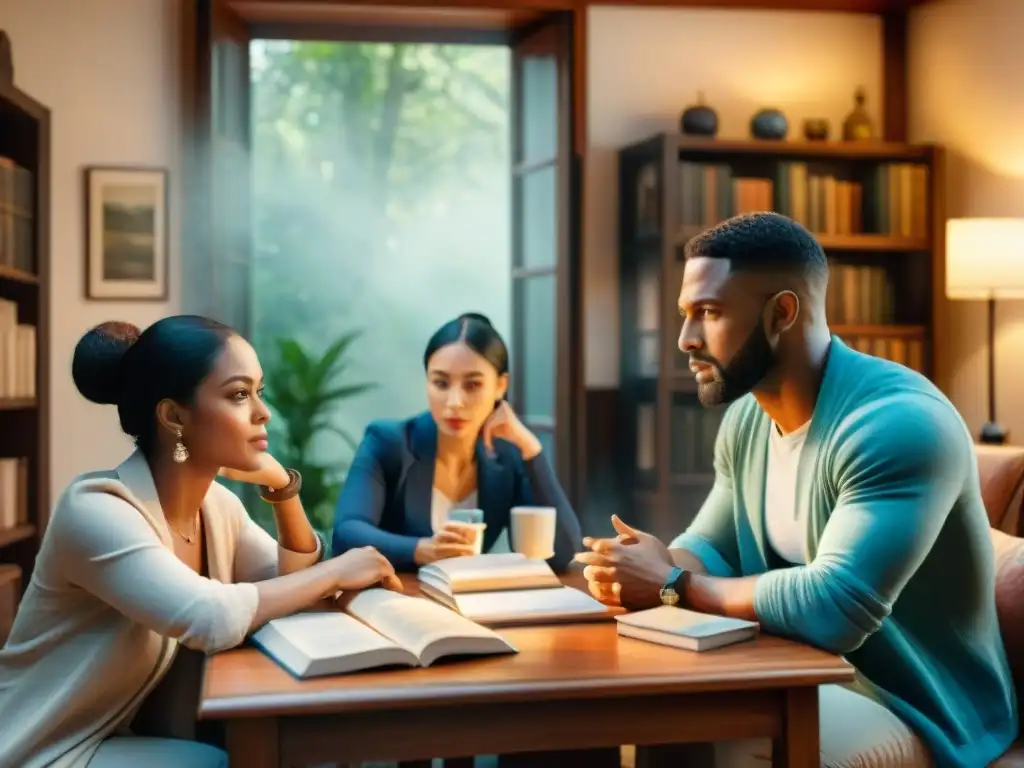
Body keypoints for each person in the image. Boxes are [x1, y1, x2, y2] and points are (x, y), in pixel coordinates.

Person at [578, 212, 1017, 768]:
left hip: (914, 707)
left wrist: (671, 583)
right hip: (795, 664)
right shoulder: (748, 420)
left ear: (782, 313)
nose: (686, 340)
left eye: (708, 314)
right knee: (625, 702)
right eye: (686, 315)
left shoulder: (897, 425)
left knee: (730, 733)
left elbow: (835, 608)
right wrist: (643, 562)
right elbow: (713, 547)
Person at [0, 317, 401, 768]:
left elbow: (295, 589)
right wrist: (340, 569)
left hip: (117, 738)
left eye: (259, 392)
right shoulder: (95, 510)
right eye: (238, 394)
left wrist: (283, 491)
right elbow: (209, 617)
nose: (262, 412)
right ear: (174, 416)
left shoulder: (215, 506)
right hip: (41, 750)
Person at [333, 312, 583, 573]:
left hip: (470, 605)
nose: (454, 402)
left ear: (500, 386)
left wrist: (532, 450)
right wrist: (421, 549)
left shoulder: (507, 456)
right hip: (394, 599)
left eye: (472, 385)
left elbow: (562, 552)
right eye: (440, 383)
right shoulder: (388, 441)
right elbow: (346, 533)